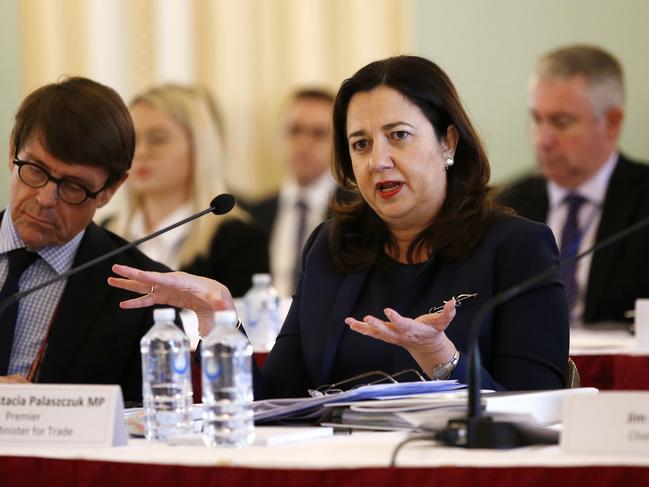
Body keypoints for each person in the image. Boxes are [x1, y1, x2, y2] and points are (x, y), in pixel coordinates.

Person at [108, 55, 569, 398]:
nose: (378, 161)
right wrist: (219, 318)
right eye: (361, 144)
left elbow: (538, 411)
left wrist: (440, 359)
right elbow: (278, 402)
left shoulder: (516, 247)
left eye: (399, 136)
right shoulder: (332, 247)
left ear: (448, 142)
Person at [0, 77, 170, 402]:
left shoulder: (142, 291)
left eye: (73, 187)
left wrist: (46, 408)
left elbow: (145, 421)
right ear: (12, 152)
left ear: (110, 190)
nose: (45, 198)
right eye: (35, 169)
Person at [497, 44, 649, 326]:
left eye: (561, 122)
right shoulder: (505, 206)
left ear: (612, 123)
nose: (543, 140)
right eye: (537, 119)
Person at [103, 84, 269, 297]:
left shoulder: (239, 240)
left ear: (198, 149)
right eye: (133, 140)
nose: (141, 152)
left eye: (157, 139)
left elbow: (240, 328)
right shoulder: (108, 232)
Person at [240, 89, 338, 296]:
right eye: (294, 131)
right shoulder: (253, 213)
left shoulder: (357, 209)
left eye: (318, 133)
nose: (304, 144)